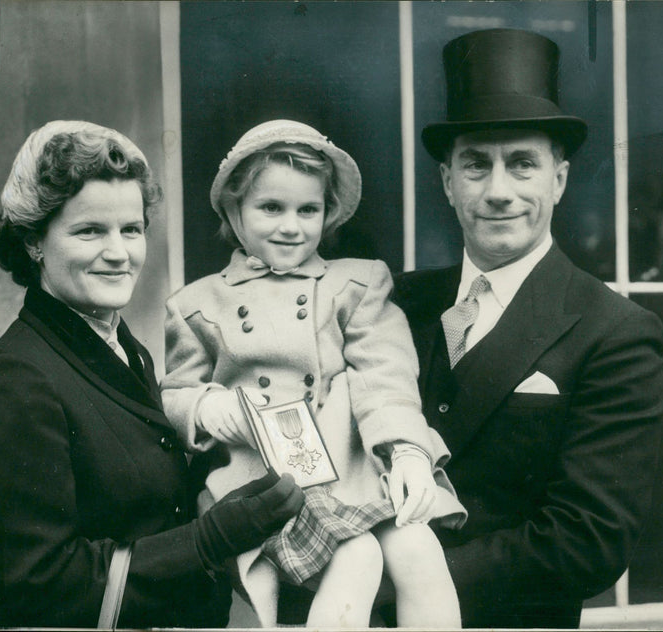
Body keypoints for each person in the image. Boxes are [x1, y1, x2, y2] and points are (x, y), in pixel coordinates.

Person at [0, 120, 304, 628]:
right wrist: (212, 539)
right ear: (34, 241)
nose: (119, 253)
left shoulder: (124, 349)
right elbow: (40, 585)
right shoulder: (15, 379)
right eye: (89, 230)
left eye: (131, 229)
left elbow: (144, 501)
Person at [390, 29, 663, 628]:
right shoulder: (393, 303)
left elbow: (584, 541)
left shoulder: (615, 331)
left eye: (522, 165)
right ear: (446, 182)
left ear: (558, 181)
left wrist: (401, 584)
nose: (498, 192)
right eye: (475, 165)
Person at [161, 119, 467, 628]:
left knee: (418, 547)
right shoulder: (196, 304)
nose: (291, 226)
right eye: (270, 208)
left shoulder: (356, 283)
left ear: (328, 214)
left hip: (353, 473)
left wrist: (408, 451)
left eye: (309, 209)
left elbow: (385, 375)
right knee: (360, 555)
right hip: (262, 485)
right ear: (234, 211)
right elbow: (173, 395)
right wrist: (206, 406)